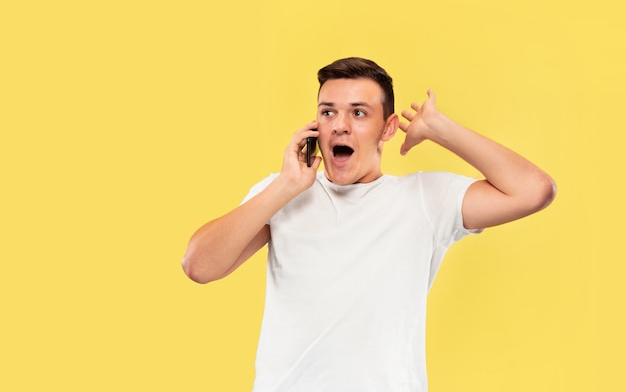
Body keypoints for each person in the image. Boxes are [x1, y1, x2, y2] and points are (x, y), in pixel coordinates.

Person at [182, 57, 556, 391]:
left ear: (388, 127)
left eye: (358, 113)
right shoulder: (281, 194)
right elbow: (198, 265)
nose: (339, 126)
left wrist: (441, 129)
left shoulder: (425, 198)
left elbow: (534, 190)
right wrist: (285, 185)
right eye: (328, 112)